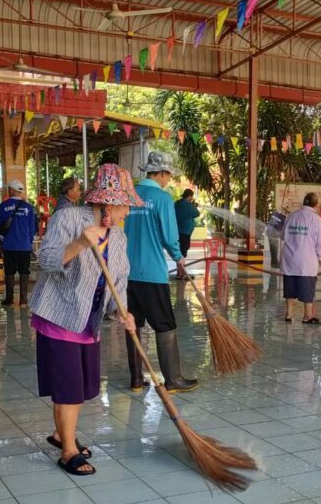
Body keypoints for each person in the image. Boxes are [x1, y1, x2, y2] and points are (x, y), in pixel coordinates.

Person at [29, 164, 139, 476]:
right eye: (125, 205)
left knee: (82, 385)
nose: (127, 212)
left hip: (89, 320)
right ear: (108, 204)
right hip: (59, 314)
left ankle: (59, 433)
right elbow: (45, 260)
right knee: (69, 387)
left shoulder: (118, 236)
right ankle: (68, 451)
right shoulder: (68, 218)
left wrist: (123, 312)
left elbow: (119, 279)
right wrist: (79, 244)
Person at [124, 151, 198, 392]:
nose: (168, 180)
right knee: (165, 324)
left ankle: (136, 379)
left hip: (127, 273)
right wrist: (178, 257)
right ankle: (173, 379)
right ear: (162, 173)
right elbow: (169, 236)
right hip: (152, 274)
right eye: (168, 176)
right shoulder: (162, 198)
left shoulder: (130, 195)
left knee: (133, 323)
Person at [281, 192, 321, 325]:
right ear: (316, 205)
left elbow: (283, 235)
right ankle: (307, 316)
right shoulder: (317, 220)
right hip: (307, 261)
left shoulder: (291, 216)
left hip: (290, 259)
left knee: (289, 287)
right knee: (307, 288)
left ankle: (289, 314)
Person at [0, 180, 37, 308]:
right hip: (24, 246)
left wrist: (0, 242)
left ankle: (9, 300)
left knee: (9, 271)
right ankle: (23, 301)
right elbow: (32, 229)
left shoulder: (3, 206)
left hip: (9, 246)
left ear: (12, 190)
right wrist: (28, 242)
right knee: (24, 271)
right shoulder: (28, 208)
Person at [174, 188, 200, 276]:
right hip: (184, 232)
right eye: (191, 197)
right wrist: (193, 205)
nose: (191, 199)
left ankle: (179, 272)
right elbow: (197, 213)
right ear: (189, 196)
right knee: (183, 252)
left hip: (177, 231)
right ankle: (181, 274)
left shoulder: (177, 203)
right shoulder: (188, 205)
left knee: (179, 251)